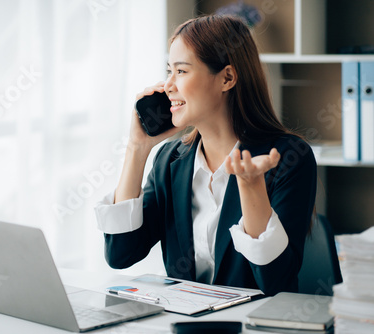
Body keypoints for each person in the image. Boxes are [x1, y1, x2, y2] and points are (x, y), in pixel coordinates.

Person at [94, 15, 317, 295]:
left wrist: (251, 188)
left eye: (182, 71)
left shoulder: (287, 157)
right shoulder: (170, 160)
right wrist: (136, 149)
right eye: (168, 71)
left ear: (227, 78)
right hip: (185, 321)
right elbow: (120, 255)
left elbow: (277, 282)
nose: (168, 85)